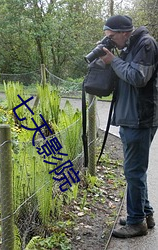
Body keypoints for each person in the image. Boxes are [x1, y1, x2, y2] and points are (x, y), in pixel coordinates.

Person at [100, 15, 158, 238]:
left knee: (133, 171)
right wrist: (110, 60)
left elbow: (137, 77)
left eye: (112, 37)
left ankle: (136, 223)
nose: (111, 41)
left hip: (140, 118)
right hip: (130, 117)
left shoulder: (146, 44)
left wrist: (113, 61)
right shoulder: (129, 46)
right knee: (135, 171)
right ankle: (145, 214)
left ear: (124, 32)